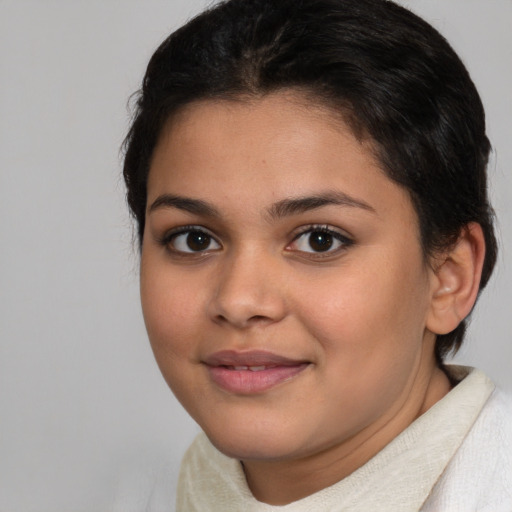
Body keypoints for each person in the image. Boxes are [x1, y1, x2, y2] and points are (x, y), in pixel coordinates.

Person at [122, 0, 512, 509]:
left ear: (449, 276)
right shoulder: (195, 487)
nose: (239, 301)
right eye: (194, 239)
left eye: (319, 239)